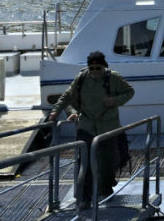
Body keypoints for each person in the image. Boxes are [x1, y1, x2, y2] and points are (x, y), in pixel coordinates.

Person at [48, 51, 134, 205]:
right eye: (91, 68)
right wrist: (56, 110)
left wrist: (114, 100)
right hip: (86, 125)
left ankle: (106, 187)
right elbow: (67, 96)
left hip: (108, 126)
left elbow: (129, 92)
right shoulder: (81, 78)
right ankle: (85, 197)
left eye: (98, 68)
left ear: (104, 66)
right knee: (84, 162)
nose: (94, 71)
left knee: (110, 161)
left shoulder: (113, 78)